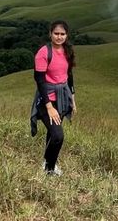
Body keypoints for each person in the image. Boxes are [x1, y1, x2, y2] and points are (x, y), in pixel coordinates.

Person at [33, 19, 76, 175]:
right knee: (58, 136)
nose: (59, 37)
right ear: (50, 34)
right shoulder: (44, 53)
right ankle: (49, 168)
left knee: (52, 133)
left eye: (62, 34)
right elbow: (39, 80)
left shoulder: (67, 51)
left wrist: (72, 98)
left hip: (62, 98)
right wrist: (49, 106)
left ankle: (47, 161)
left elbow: (69, 75)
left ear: (67, 35)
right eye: (56, 33)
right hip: (47, 99)